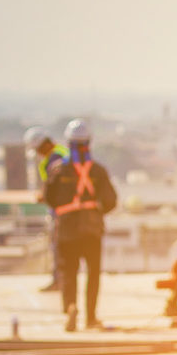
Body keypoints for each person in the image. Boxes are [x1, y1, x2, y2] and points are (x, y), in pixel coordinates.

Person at [44, 118, 117, 331]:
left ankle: (71, 308)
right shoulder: (98, 170)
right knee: (93, 273)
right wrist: (96, 211)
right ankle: (91, 317)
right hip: (92, 229)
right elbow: (111, 200)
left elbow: (49, 198)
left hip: (66, 229)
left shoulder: (58, 170)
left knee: (68, 272)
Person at [24, 126, 68, 291]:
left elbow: (55, 187)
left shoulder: (54, 159)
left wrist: (44, 196)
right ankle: (62, 280)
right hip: (65, 210)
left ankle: (59, 280)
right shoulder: (61, 153)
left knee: (58, 247)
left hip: (60, 211)